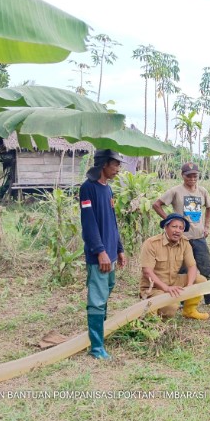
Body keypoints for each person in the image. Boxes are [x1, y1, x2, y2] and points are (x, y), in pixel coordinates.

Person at [80, 149, 127, 360]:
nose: (118, 168)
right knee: (97, 298)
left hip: (111, 253)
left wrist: (119, 248)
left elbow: (112, 222)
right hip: (99, 255)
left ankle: (100, 338)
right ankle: (96, 347)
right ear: (104, 165)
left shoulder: (108, 190)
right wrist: (100, 252)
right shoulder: (88, 189)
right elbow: (89, 223)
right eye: (115, 164)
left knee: (106, 293)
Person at [152, 162, 210, 306]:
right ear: (183, 176)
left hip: (199, 236)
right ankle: (181, 300)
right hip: (181, 238)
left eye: (195, 175)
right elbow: (156, 205)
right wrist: (170, 221)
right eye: (189, 176)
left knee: (206, 268)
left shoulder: (202, 191)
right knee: (181, 269)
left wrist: (206, 226)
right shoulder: (176, 191)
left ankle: (209, 298)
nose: (192, 179)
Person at [139, 213, 210, 320]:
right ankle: (149, 311)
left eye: (181, 228)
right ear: (166, 227)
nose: (177, 230)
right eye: (174, 227)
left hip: (173, 281)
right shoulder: (151, 244)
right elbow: (147, 272)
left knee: (200, 280)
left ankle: (189, 311)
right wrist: (166, 288)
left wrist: (190, 285)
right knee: (171, 309)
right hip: (154, 287)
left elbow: (192, 266)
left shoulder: (184, 242)